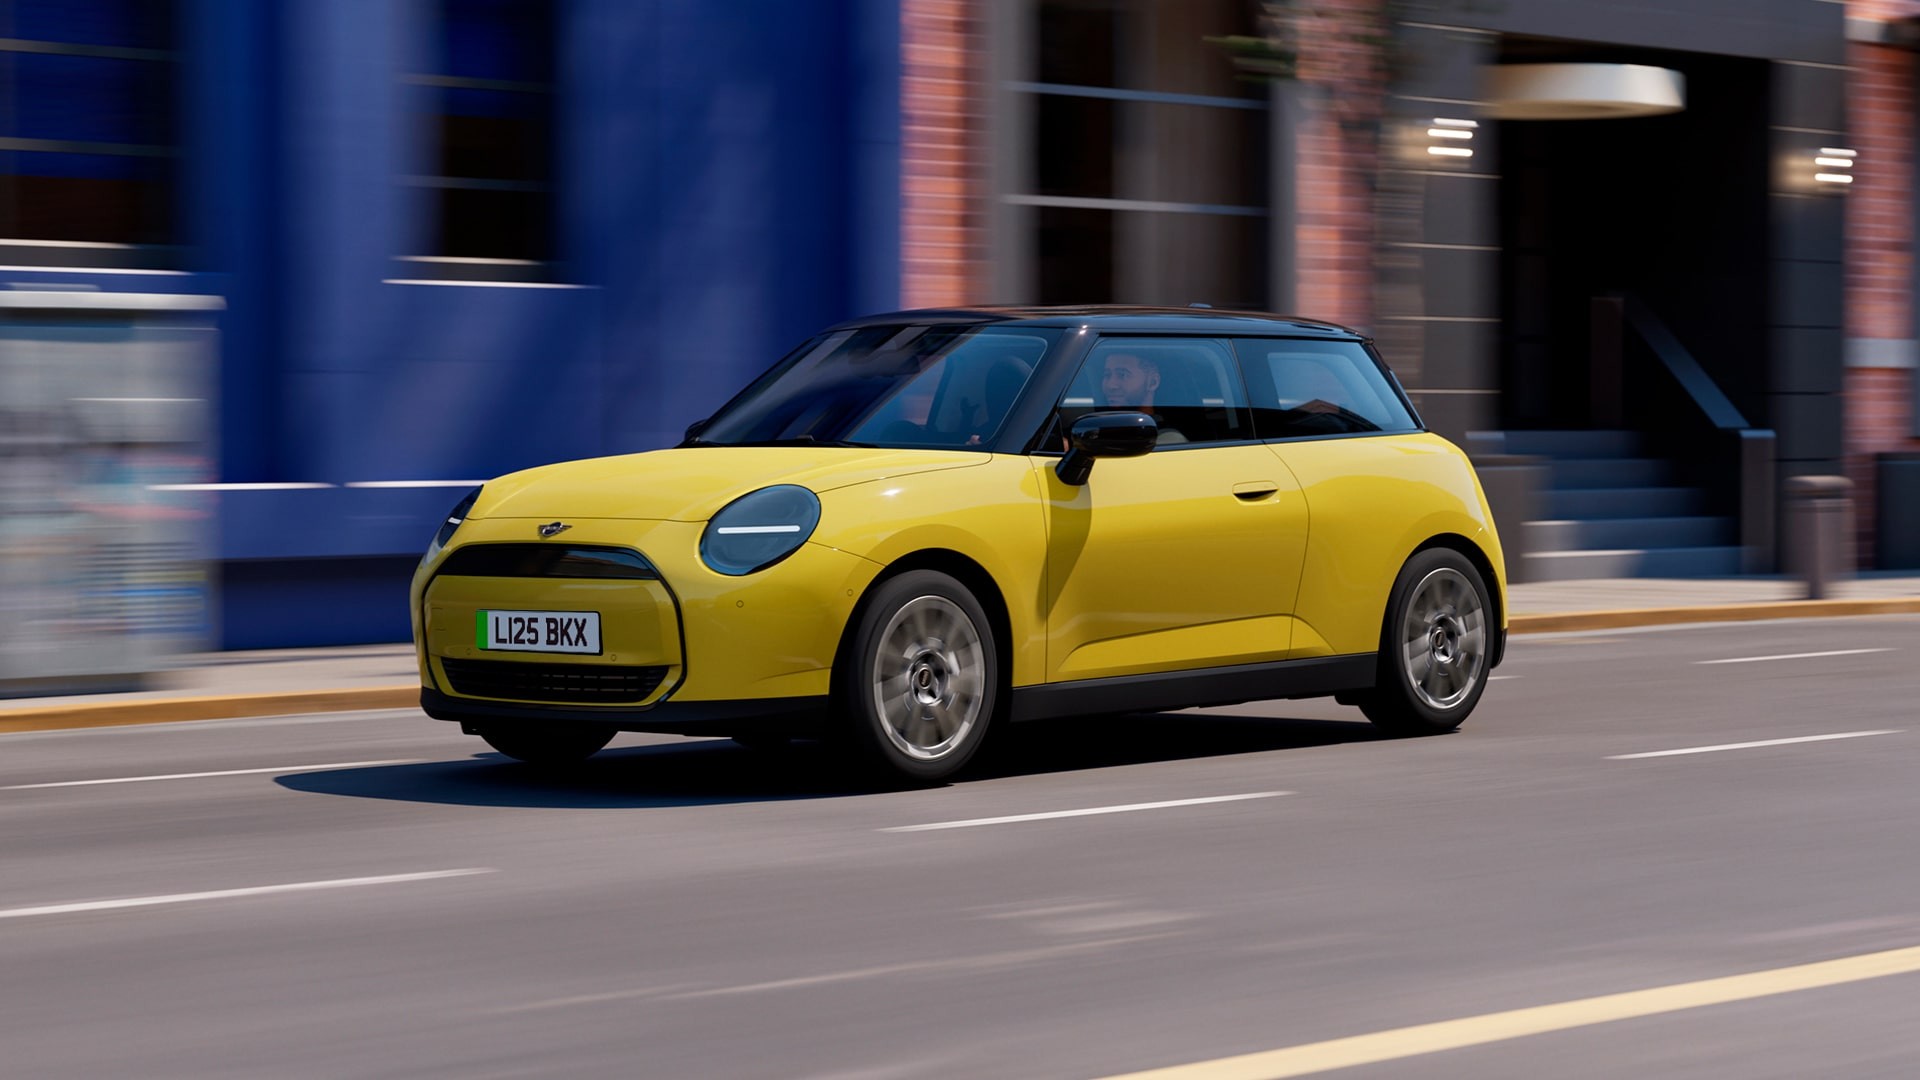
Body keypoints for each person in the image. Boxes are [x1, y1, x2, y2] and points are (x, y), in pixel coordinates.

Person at [1097, 351, 1185, 444]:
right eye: (1107, 375)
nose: (1111, 385)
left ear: (1152, 382)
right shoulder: (1102, 431)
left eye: (1122, 375)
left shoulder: (1169, 440)